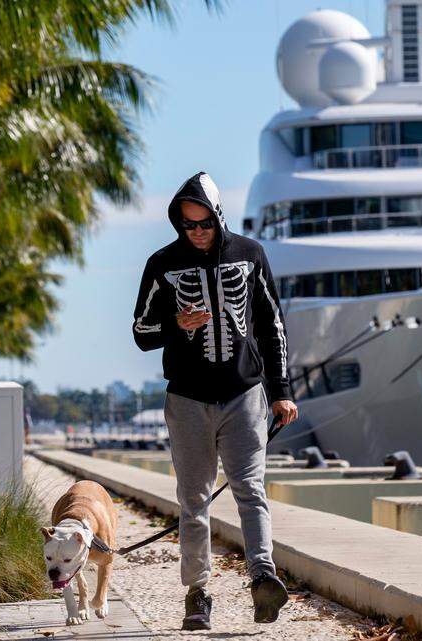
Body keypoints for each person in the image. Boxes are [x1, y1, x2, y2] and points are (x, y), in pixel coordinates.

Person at [131, 171, 299, 630]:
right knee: (194, 499)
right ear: (178, 224)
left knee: (251, 490)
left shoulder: (250, 255)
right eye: (188, 225)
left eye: (204, 223)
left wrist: (281, 391)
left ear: (218, 217)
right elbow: (141, 332)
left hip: (244, 395)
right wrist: (176, 326)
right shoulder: (162, 265)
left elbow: (273, 326)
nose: (197, 232)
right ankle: (197, 594)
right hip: (186, 399)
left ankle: (264, 577)